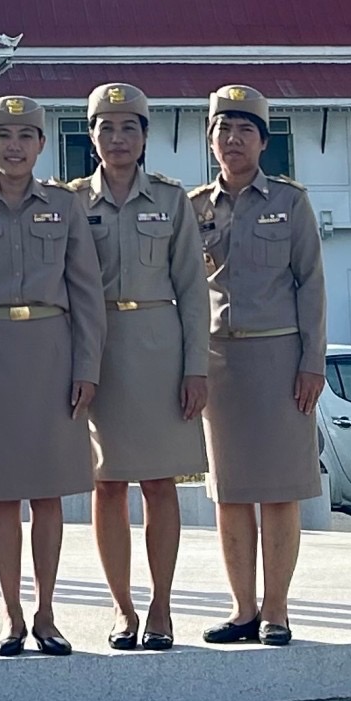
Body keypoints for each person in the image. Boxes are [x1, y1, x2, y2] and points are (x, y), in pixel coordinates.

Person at [0, 95, 103, 657]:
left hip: (53, 354)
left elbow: (87, 294)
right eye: (2, 136)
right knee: (2, 497)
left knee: (48, 494)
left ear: (40, 144)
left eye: (24, 136)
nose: (13, 146)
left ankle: (48, 613)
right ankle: (10, 616)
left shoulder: (64, 204)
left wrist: (88, 367)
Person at [67, 82, 208, 652]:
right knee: (105, 484)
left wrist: (195, 367)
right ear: (92, 135)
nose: (118, 137)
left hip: (158, 345)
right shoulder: (72, 200)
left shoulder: (173, 201)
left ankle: (161, 607)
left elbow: (194, 290)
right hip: (94, 349)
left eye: (130, 127)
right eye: (107, 127)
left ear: (145, 136)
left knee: (159, 482)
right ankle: (122, 607)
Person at [190, 84, 326, 649]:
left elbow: (311, 284)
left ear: (263, 141)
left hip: (280, 358)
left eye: (245, 130)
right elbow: (184, 291)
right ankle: (242, 609)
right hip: (220, 360)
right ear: (210, 140)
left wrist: (312, 362)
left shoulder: (291, 203)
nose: (233, 139)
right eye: (224, 129)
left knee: (279, 491)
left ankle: (277, 611)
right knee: (230, 491)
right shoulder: (193, 207)